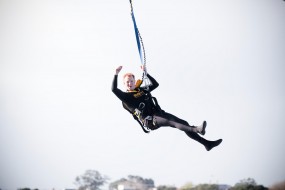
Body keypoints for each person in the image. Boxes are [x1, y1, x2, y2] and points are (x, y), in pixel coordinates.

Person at [112, 65, 222, 151]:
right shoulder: (126, 97)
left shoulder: (141, 90)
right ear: (124, 84)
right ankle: (197, 129)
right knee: (171, 122)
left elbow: (155, 84)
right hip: (150, 120)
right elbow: (114, 89)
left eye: (131, 81)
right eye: (127, 82)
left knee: (182, 122)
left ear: (134, 81)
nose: (130, 83)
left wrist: (146, 73)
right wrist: (116, 73)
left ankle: (207, 144)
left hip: (158, 113)